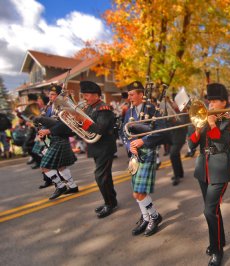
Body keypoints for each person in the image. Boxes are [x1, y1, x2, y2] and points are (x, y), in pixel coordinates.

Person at [188, 83, 230, 266]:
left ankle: (217, 251)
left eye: (214, 101)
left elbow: (225, 140)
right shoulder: (200, 116)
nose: (209, 104)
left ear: (224, 102)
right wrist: (197, 129)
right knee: (213, 210)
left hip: (219, 169)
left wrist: (211, 125)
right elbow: (191, 145)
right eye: (208, 100)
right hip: (203, 168)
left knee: (209, 211)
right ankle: (219, 240)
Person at [126, 81, 165, 237]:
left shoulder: (154, 110)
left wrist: (144, 141)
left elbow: (163, 132)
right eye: (128, 94)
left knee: (139, 192)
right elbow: (124, 131)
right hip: (134, 155)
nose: (129, 97)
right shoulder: (129, 112)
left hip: (147, 152)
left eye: (132, 94)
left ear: (141, 94)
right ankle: (146, 217)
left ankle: (154, 217)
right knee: (136, 192)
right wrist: (129, 144)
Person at [79, 81, 118, 218]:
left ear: (96, 95)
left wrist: (82, 121)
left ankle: (109, 203)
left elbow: (100, 128)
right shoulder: (90, 108)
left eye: (87, 95)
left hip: (105, 148)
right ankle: (111, 201)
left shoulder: (104, 109)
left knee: (100, 176)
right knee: (105, 176)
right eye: (84, 95)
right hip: (96, 147)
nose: (85, 98)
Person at [35, 85, 79, 200]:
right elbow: (49, 122)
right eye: (49, 94)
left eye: (53, 94)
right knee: (61, 166)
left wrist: (48, 130)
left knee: (45, 166)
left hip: (60, 138)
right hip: (54, 138)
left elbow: (66, 125)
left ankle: (60, 186)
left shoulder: (63, 107)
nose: (50, 97)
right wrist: (41, 132)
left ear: (59, 95)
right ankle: (73, 186)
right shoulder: (50, 107)